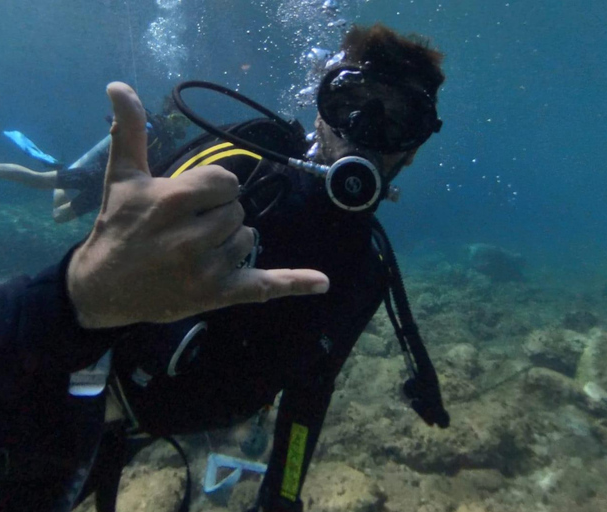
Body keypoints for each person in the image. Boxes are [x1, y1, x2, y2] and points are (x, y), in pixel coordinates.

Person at [0, 82, 330, 511]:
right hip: (107, 195)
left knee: (57, 201)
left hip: (90, 372)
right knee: (48, 184)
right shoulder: (162, 134)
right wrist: (77, 297)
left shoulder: (172, 138)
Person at [78, 23, 450, 512]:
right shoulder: (237, 171)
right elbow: (103, 272)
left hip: (151, 426)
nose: (364, 131)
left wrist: (283, 494)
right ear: (320, 111)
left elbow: (311, 389)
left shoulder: (367, 271)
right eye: (349, 102)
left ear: (415, 146)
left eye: (399, 118)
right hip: (78, 400)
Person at [0, 100, 190, 223]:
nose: (179, 126)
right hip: (101, 173)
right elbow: (116, 132)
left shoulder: (166, 143)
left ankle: (59, 169)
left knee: (59, 217)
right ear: (168, 112)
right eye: (177, 119)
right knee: (39, 180)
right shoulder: (149, 127)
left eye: (183, 124)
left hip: (111, 186)